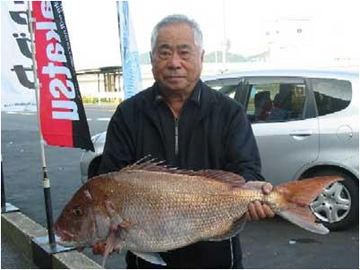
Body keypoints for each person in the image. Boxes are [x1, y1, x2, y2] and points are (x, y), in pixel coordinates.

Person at [94, 14, 274, 269]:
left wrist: (253, 195)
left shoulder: (229, 112)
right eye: (165, 52)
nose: (174, 63)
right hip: (145, 260)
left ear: (201, 57)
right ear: (153, 57)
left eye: (184, 52)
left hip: (218, 258)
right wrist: (105, 232)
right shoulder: (128, 114)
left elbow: (246, 171)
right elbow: (110, 181)